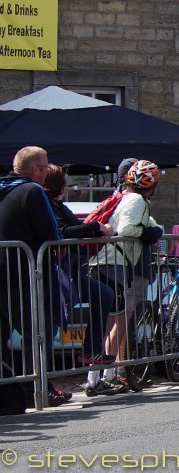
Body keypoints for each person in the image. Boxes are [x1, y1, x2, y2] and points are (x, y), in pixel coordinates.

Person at [0, 146, 73, 407]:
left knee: (3, 334)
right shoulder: (33, 191)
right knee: (36, 332)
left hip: (4, 269)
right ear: (37, 170)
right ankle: (40, 388)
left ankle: (15, 389)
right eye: (45, 167)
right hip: (26, 271)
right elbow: (52, 233)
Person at [88, 160, 164, 393]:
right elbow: (129, 229)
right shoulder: (137, 200)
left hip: (112, 263)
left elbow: (146, 222)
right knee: (114, 322)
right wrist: (149, 233)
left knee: (115, 321)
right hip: (113, 263)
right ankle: (98, 378)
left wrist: (155, 228)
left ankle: (103, 375)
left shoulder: (129, 198)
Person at [42, 165, 117, 380]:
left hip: (71, 270)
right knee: (50, 325)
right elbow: (64, 232)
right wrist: (96, 227)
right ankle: (43, 382)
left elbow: (75, 227)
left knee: (103, 294)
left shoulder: (58, 205)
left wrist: (98, 228)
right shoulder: (48, 203)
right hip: (58, 272)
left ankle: (90, 350)